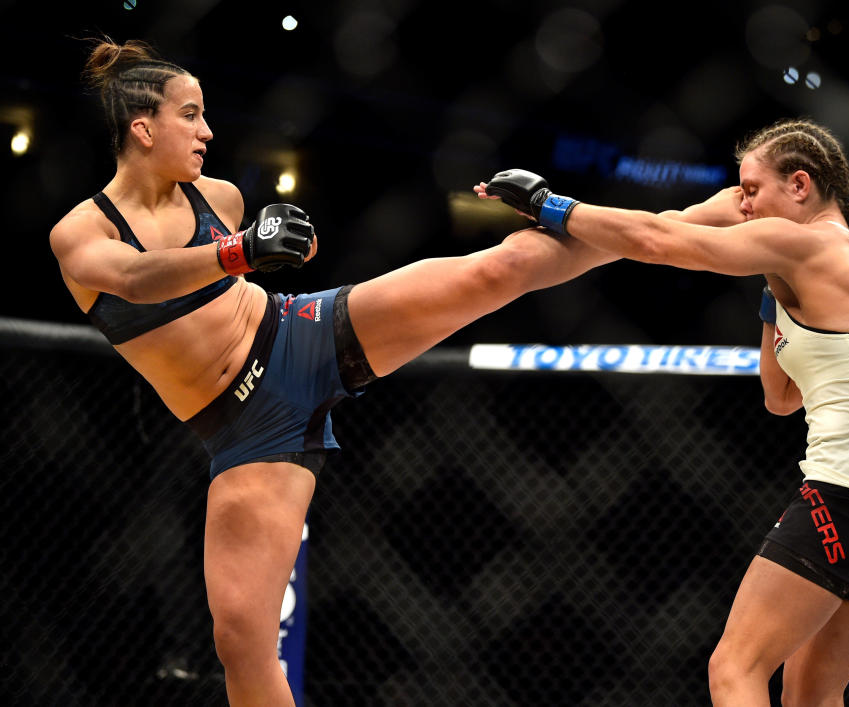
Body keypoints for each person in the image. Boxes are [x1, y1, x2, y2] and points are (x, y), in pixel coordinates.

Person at [49, 38, 618, 707]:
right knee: (241, 639)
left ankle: (677, 226)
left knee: (496, 269)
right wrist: (238, 251)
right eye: (191, 115)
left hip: (300, 334)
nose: (207, 131)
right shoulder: (81, 232)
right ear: (143, 128)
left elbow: (263, 254)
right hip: (242, 424)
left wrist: (289, 240)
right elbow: (139, 279)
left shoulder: (219, 197)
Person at [475, 118, 849, 706]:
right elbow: (780, 398)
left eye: (753, 190)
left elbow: (659, 243)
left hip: (845, 500)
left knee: (735, 670)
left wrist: (549, 204)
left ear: (800, 185)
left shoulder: (810, 243)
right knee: (813, 695)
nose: (742, 204)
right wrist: (773, 287)